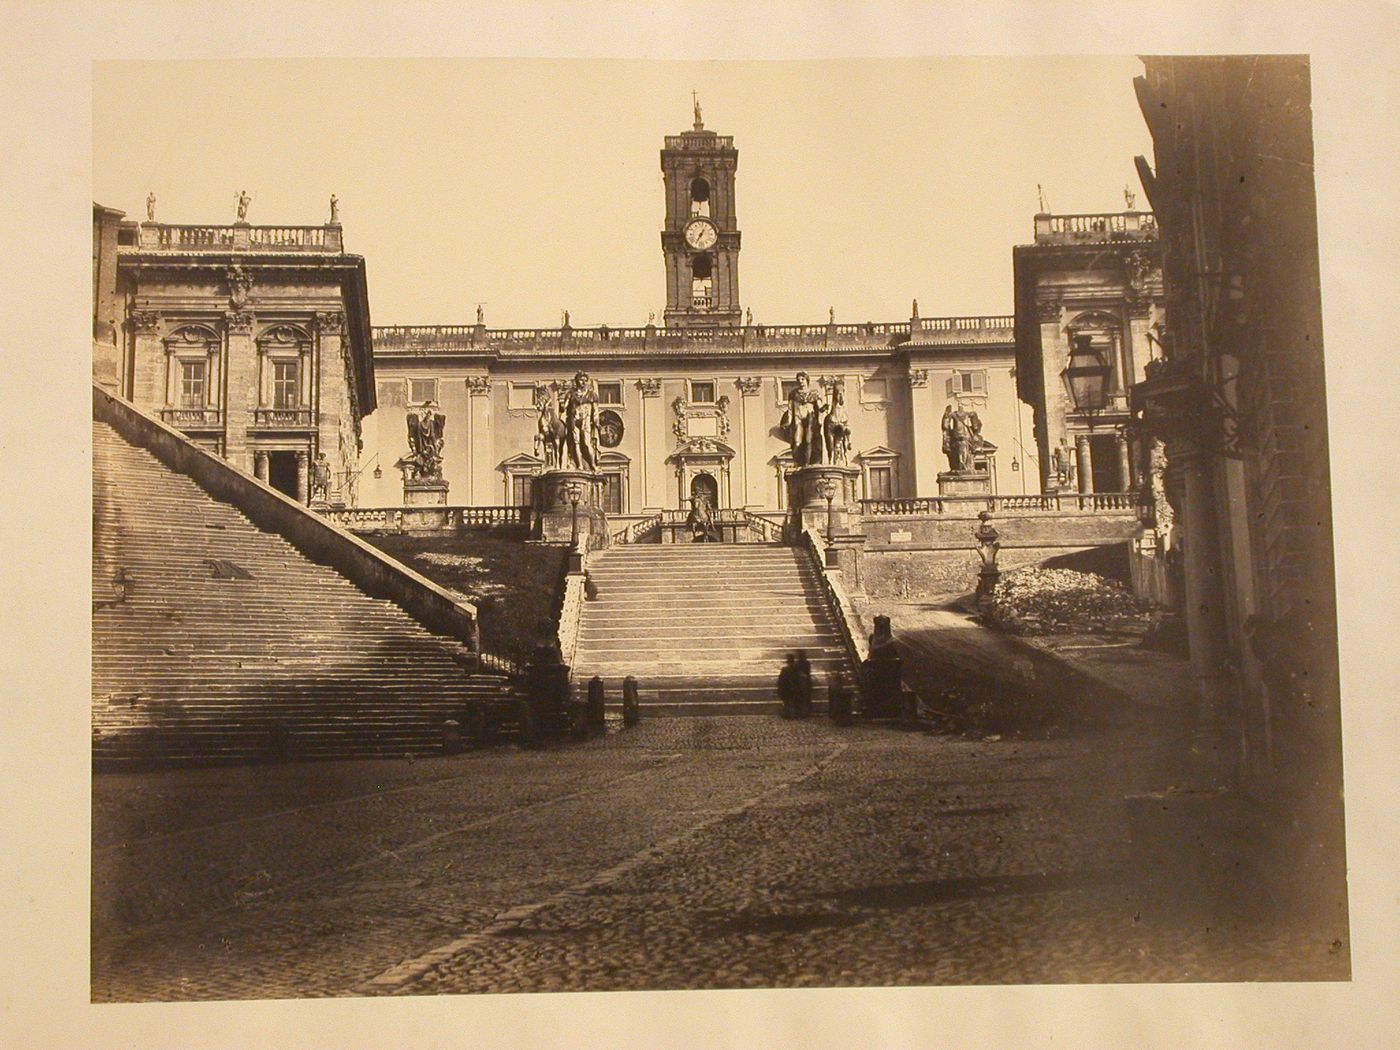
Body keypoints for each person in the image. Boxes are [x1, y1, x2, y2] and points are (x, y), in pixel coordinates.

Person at [777, 653, 801, 719]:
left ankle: (788, 714)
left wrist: (780, 689)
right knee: (794, 702)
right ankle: (794, 714)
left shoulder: (785, 670)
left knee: (787, 702)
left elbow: (781, 680)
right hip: (794, 688)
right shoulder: (796, 669)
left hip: (787, 688)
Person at [794, 651, 813, 718]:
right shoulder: (806, 663)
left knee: (801, 698)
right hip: (805, 683)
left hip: (801, 683)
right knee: (805, 698)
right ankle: (805, 712)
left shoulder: (797, 664)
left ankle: (801, 712)